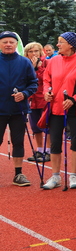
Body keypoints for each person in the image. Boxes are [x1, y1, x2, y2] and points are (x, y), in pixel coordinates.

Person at [41, 32, 76, 190]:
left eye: (61, 42)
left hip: (75, 108)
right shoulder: (53, 61)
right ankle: (55, 176)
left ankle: (74, 175)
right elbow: (46, 80)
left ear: (71, 45)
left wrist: (74, 99)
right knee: (55, 142)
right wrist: (46, 92)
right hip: (55, 107)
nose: (58, 45)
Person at [0, 30, 38, 187]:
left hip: (18, 110)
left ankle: (18, 174)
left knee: (18, 142)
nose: (8, 44)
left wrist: (24, 93)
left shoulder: (25, 62)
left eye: (11, 42)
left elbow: (33, 83)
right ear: (0, 44)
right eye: (5, 42)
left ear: (16, 44)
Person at [23, 42, 49, 163]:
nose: (33, 54)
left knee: (47, 125)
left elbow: (46, 79)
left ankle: (48, 151)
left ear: (40, 52)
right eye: (31, 51)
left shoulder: (46, 63)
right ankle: (39, 150)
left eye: (36, 51)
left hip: (43, 99)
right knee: (35, 127)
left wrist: (38, 68)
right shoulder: (25, 64)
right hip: (32, 100)